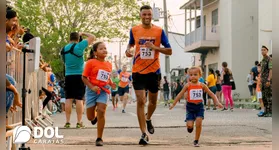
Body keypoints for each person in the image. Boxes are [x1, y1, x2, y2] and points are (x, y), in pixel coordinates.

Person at [125, 5, 172, 145]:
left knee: (152, 102)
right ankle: (143, 133)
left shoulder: (159, 31)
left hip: (154, 71)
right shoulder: (134, 30)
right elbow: (130, 45)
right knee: (141, 101)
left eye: (149, 15)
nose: (146, 17)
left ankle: (148, 118)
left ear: (152, 15)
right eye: (144, 14)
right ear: (140, 15)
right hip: (138, 71)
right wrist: (128, 51)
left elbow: (169, 51)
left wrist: (155, 48)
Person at [169, 66, 223, 147]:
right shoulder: (187, 85)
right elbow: (180, 94)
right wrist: (173, 104)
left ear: (200, 75)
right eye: (191, 75)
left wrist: (217, 102)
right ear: (188, 76)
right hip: (190, 107)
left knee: (199, 123)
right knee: (190, 126)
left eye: (195, 74)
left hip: (199, 107)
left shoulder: (202, 85)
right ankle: (190, 126)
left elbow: (211, 94)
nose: (193, 76)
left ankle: (196, 140)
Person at [82, 42, 116, 146]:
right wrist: (92, 87)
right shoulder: (91, 62)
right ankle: (94, 118)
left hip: (103, 90)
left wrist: (111, 83)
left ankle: (99, 138)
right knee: (89, 117)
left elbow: (106, 77)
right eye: (101, 49)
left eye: (105, 48)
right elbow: (83, 77)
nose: (104, 50)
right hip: (91, 90)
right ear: (95, 52)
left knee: (101, 111)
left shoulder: (109, 64)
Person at [63, 32, 95, 129]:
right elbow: (92, 37)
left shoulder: (64, 49)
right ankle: (79, 122)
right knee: (79, 99)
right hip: (79, 76)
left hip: (68, 75)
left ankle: (67, 122)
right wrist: (83, 33)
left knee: (68, 99)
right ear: (78, 39)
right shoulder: (79, 46)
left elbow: (64, 61)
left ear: (69, 38)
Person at [260, 45, 272, 117]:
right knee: (264, 96)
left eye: (264, 50)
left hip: (267, 81)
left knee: (269, 96)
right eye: (261, 50)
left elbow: (271, 70)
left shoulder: (269, 59)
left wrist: (268, 80)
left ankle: (270, 111)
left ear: (267, 51)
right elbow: (262, 71)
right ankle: (266, 111)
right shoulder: (262, 60)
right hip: (263, 81)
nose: (262, 51)